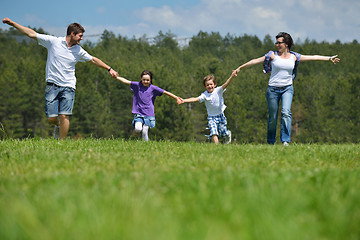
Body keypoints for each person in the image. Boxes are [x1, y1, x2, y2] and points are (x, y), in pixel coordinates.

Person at [2, 18, 119, 139]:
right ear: (72, 34)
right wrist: (13, 24)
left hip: (69, 86)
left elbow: (93, 59)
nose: (82, 39)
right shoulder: (53, 42)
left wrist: (109, 69)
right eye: (80, 36)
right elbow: (31, 34)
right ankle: (58, 125)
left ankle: (61, 143)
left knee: (64, 116)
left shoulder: (78, 50)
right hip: (52, 85)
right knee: (52, 117)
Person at [232, 32, 340, 146]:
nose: (277, 45)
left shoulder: (294, 57)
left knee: (286, 113)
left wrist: (329, 58)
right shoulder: (272, 55)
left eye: (279, 43)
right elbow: (255, 60)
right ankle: (271, 142)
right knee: (273, 117)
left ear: (286, 43)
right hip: (272, 90)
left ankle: (285, 141)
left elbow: (313, 57)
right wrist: (240, 68)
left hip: (287, 88)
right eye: (276, 43)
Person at [116, 70, 183, 141]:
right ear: (141, 78)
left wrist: (176, 97)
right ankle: (135, 133)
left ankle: (146, 146)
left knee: (145, 131)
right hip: (139, 113)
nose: (145, 81)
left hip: (149, 114)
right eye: (144, 79)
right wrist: (117, 77)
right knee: (138, 128)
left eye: (147, 80)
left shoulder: (153, 88)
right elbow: (126, 81)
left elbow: (165, 92)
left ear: (150, 80)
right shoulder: (137, 85)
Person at [179, 72, 237, 144]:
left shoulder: (218, 90)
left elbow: (226, 84)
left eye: (211, 84)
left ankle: (228, 134)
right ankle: (217, 147)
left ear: (214, 84)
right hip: (211, 118)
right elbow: (195, 99)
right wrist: (184, 100)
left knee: (223, 133)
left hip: (220, 115)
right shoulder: (204, 95)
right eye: (207, 85)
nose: (209, 86)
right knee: (213, 133)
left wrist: (232, 76)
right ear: (205, 86)